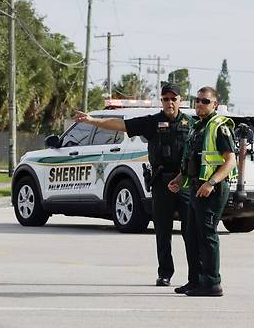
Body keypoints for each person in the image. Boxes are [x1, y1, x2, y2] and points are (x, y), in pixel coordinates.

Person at [74, 84, 197, 288]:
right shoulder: (152, 122)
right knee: (162, 231)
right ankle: (165, 273)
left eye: (173, 99)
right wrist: (92, 120)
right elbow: (121, 125)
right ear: (161, 101)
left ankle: (195, 276)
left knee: (190, 232)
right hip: (161, 182)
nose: (170, 102)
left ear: (180, 101)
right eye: (166, 99)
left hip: (184, 182)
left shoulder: (191, 124)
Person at [168, 86, 237, 297]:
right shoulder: (197, 127)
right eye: (197, 100)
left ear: (215, 104)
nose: (200, 104)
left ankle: (212, 283)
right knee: (191, 234)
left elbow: (230, 161)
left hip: (212, 190)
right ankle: (196, 280)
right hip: (196, 187)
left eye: (205, 101)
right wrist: (179, 179)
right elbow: (193, 160)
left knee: (207, 234)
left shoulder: (219, 126)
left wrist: (212, 183)